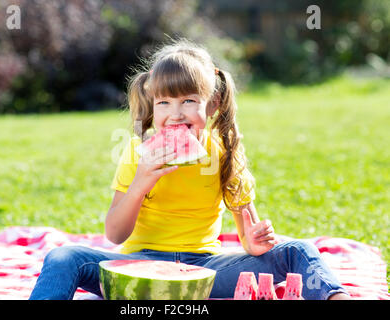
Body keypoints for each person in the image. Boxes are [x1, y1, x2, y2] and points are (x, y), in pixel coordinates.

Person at [29, 39, 350, 300]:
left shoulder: (224, 152)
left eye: (189, 101)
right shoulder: (137, 152)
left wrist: (254, 243)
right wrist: (141, 183)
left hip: (206, 272)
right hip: (136, 266)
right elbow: (114, 235)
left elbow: (247, 235)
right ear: (152, 106)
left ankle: (337, 299)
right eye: (164, 103)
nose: (176, 113)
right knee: (62, 258)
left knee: (297, 249)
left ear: (212, 103)